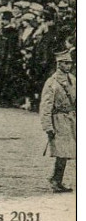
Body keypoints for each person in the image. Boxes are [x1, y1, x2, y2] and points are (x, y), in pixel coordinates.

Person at [39, 48, 75, 192]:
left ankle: (57, 180)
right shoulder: (52, 82)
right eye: (65, 63)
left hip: (71, 118)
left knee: (69, 152)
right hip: (58, 119)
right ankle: (55, 180)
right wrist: (48, 126)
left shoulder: (73, 79)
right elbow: (46, 106)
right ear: (59, 64)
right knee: (62, 152)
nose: (68, 66)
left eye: (70, 63)